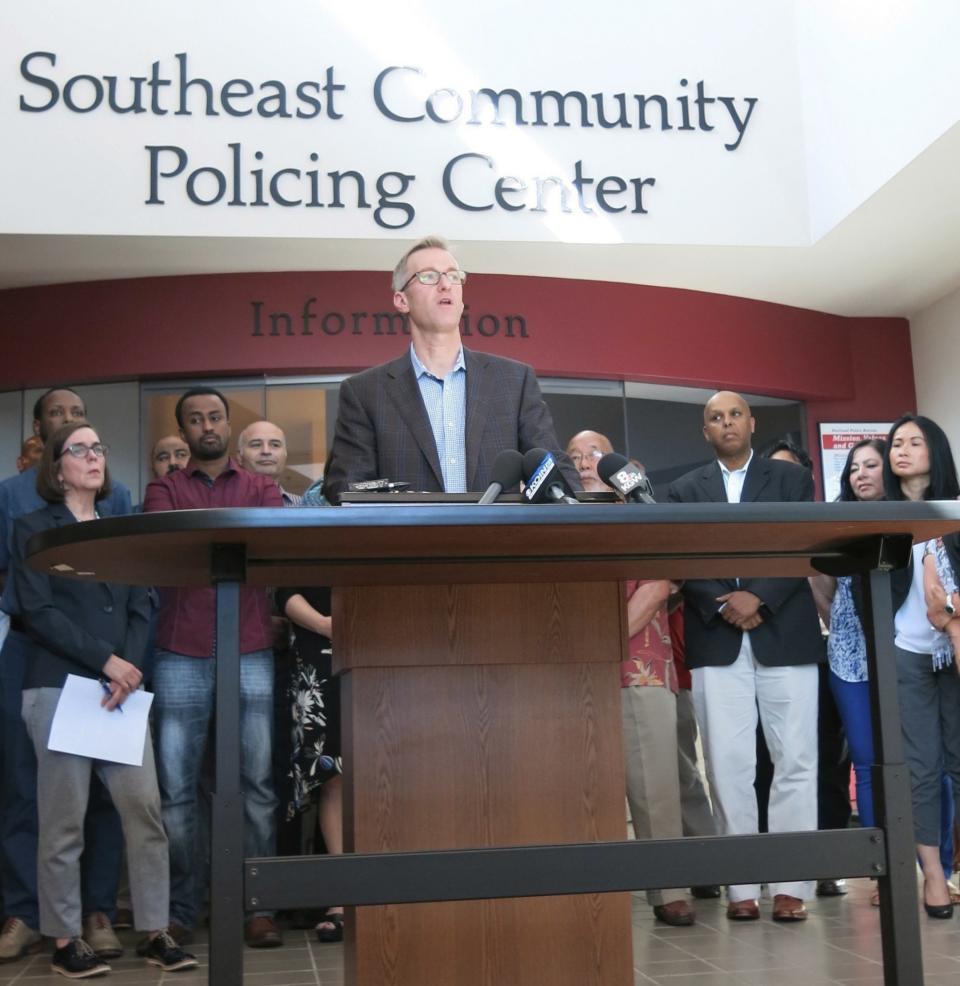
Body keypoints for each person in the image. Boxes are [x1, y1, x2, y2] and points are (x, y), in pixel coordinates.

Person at [11, 422, 197, 977]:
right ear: (57, 466)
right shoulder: (31, 528)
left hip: (120, 692)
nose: (93, 456)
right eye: (80, 449)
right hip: (59, 688)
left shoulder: (120, 529)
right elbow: (37, 612)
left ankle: (156, 930)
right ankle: (67, 942)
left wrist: (128, 669)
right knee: (63, 820)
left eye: (99, 447)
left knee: (144, 811)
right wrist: (106, 661)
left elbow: (143, 603)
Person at [667, 391, 824, 922]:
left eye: (735, 414)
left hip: (786, 630)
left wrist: (759, 596)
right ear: (704, 430)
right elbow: (681, 558)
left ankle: (791, 887)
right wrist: (730, 601)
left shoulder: (790, 480)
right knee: (729, 764)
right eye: (716, 417)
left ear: (751, 423)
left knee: (796, 760)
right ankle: (741, 890)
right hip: (716, 635)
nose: (726, 422)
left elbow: (801, 545)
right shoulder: (686, 490)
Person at [142, 387, 285, 948]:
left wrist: (215, 536)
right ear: (183, 430)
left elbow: (268, 544)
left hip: (249, 646)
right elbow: (172, 549)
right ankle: (182, 908)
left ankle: (260, 908)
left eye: (216, 417)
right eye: (196, 419)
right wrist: (229, 535)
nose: (207, 425)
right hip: (180, 649)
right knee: (175, 789)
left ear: (229, 424)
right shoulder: (163, 487)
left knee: (259, 784)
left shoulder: (263, 486)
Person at [0, 388, 131, 963]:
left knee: (102, 793)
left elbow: (131, 587)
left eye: (82, 420)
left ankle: (97, 908)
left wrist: (117, 659)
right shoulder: (10, 498)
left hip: (109, 664)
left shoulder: (117, 495)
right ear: (41, 434)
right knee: (27, 787)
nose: (73, 427)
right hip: (35, 657)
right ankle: (26, 912)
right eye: (60, 417)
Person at [323, 235, 577, 501]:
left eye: (454, 276)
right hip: (405, 539)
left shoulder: (513, 380)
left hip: (500, 540)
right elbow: (347, 488)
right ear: (401, 301)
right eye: (429, 277)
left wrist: (581, 512)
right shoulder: (365, 392)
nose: (445, 285)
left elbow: (554, 471)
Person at [566, 430, 694, 926]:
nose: (581, 462)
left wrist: (603, 641)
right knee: (582, 788)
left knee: (655, 784)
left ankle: (669, 890)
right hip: (571, 672)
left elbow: (656, 587)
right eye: (573, 456)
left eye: (592, 453)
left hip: (639, 665)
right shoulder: (554, 518)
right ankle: (587, 889)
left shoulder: (643, 511)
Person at [763, 437, 852, 899]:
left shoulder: (822, 527)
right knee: (771, 762)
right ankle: (771, 862)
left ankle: (828, 862)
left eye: (787, 472)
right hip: (771, 657)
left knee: (828, 764)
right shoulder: (754, 531)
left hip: (825, 656)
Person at [881, 413, 960, 918]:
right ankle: (933, 875)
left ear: (936, 449)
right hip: (904, 652)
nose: (901, 451)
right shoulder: (880, 515)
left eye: (913, 442)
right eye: (895, 444)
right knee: (921, 768)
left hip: (955, 649)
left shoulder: (956, 509)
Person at [237, 421, 301, 506]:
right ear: (239, 457)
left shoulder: (304, 506)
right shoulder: (223, 505)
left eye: (275, 445)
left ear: (285, 455)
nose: (266, 451)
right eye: (256, 445)